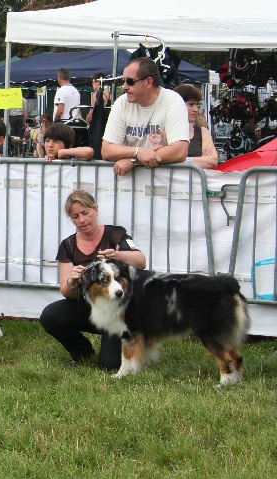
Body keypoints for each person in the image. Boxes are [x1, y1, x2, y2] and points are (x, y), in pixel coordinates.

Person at [39, 190, 147, 369]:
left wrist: (118, 255)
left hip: (117, 311)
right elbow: (66, 293)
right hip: (91, 307)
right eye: (75, 216)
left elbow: (141, 261)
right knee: (51, 315)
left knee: (108, 365)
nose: (81, 220)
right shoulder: (67, 245)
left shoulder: (115, 234)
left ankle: (132, 343)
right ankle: (82, 351)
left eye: (85, 213)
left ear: (95, 210)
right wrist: (72, 282)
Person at [101, 58, 190, 176]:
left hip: (165, 183)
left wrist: (134, 160)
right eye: (124, 81)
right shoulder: (121, 102)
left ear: (148, 82)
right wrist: (138, 152)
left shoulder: (173, 101)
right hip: (128, 185)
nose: (124, 86)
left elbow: (179, 151)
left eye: (130, 81)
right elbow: (107, 150)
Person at [173, 84, 218, 169]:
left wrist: (180, 160)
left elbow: (212, 161)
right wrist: (200, 160)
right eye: (191, 104)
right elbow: (160, 158)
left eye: (196, 104)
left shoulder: (202, 132)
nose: (196, 109)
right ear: (178, 105)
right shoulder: (165, 131)